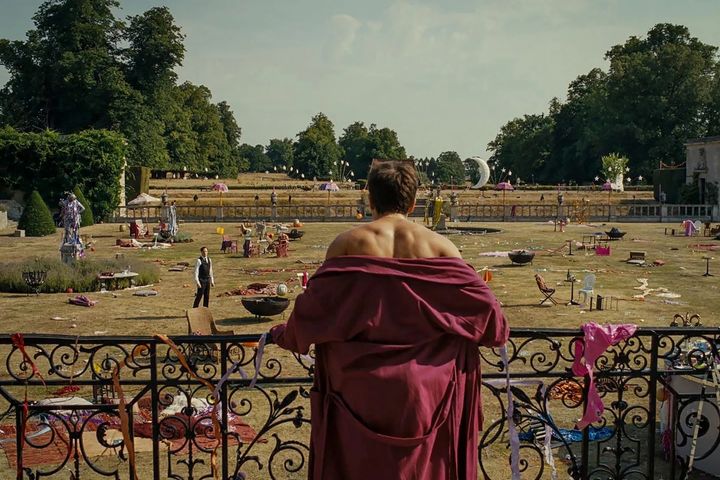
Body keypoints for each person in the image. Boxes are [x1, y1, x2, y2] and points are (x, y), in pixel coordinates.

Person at [268, 159, 508, 479]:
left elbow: (311, 314)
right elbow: (492, 322)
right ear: (412, 202)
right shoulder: (442, 249)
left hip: (355, 392)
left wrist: (281, 335)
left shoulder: (346, 245)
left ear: (370, 199)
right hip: (428, 398)